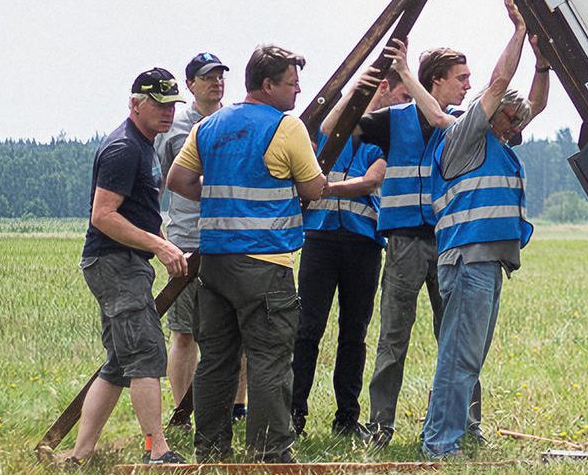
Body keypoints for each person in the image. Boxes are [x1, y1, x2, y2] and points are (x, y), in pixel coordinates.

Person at [164, 45, 376, 462]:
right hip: (265, 262)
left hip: (216, 262)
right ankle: (269, 451)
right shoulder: (286, 127)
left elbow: (179, 179)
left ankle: (210, 449)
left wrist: (223, 198)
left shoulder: (209, 126)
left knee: (216, 360)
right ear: (268, 85)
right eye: (291, 83)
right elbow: (314, 188)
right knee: (270, 359)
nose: (298, 91)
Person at [418, 0, 542, 458]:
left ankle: (457, 432)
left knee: (469, 357)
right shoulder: (467, 134)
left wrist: (543, 65)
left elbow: (532, 100)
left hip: (485, 262)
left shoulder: (495, 140)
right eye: (512, 119)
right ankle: (440, 443)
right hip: (469, 261)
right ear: (491, 115)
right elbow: (500, 82)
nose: (518, 127)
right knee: (458, 355)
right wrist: (518, 32)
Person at [355, 36, 480, 444]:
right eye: (460, 78)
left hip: (449, 241)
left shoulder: (462, 122)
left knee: (458, 336)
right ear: (435, 81)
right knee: (394, 335)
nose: (467, 85)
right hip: (405, 242)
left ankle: (466, 424)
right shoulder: (394, 120)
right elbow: (338, 127)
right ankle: (380, 424)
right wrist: (372, 85)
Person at [66, 68, 192, 466]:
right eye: (158, 103)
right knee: (146, 353)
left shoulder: (145, 145)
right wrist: (159, 245)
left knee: (120, 362)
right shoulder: (124, 148)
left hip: (122, 262)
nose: (167, 112)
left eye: (171, 104)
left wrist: (161, 241)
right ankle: (158, 450)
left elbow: (140, 211)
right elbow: (103, 216)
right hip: (114, 262)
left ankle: (80, 454)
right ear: (135, 104)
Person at [289, 46, 402, 438]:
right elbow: (326, 131)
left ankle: (346, 418)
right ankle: (294, 415)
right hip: (320, 238)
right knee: (308, 329)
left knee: (354, 333)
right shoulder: (337, 125)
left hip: (363, 243)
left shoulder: (387, 135)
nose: (403, 106)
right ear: (384, 88)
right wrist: (356, 89)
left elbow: (373, 180)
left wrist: (324, 189)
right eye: (400, 97)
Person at [153, 52, 229, 424]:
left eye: (219, 76)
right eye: (207, 77)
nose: (216, 82)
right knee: (184, 331)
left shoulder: (234, 121)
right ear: (190, 86)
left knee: (234, 331)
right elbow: (167, 179)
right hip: (188, 235)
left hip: (230, 236)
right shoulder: (176, 128)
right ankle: (182, 411)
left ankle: (235, 409)